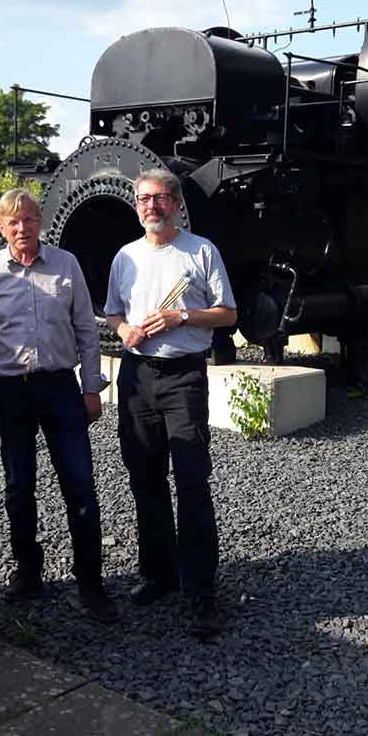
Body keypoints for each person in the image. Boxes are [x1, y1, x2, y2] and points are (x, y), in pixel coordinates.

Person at [0, 189, 117, 623]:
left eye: (29, 219)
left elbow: (86, 332)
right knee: (19, 487)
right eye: (12, 222)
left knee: (80, 486)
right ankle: (28, 572)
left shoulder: (66, 265)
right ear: (1, 228)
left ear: (40, 222)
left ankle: (90, 582)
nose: (22, 228)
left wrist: (92, 389)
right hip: (12, 390)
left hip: (60, 388)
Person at [104, 168, 236, 639]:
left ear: (176, 203)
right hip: (137, 377)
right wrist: (124, 331)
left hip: (184, 376)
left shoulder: (201, 250)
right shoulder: (125, 257)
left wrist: (182, 316)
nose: (150, 206)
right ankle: (157, 574)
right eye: (143, 199)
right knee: (145, 478)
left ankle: (201, 590)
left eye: (159, 198)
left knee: (192, 482)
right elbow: (113, 311)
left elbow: (228, 313)